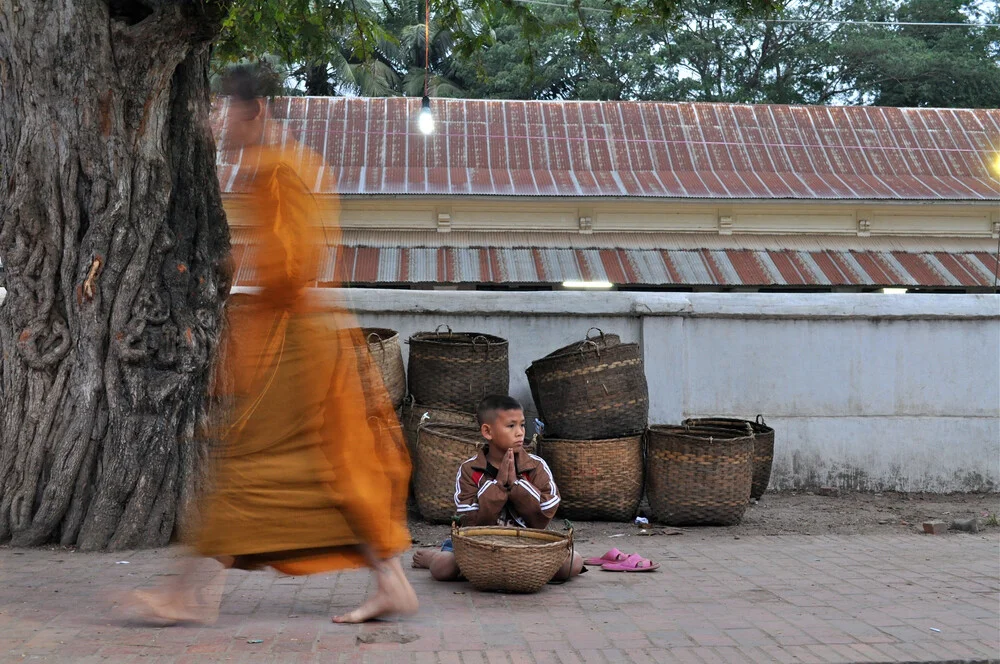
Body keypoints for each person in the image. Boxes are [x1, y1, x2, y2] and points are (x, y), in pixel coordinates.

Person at [124, 63, 416, 625]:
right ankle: (392, 579)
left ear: (253, 111)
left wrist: (245, 266)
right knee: (322, 466)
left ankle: (190, 595)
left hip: (292, 339)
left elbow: (298, 260)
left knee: (248, 463)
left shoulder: (279, 167)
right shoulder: (277, 165)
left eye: (224, 109)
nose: (218, 121)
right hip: (299, 334)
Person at [411, 395, 584, 582]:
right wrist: (497, 487)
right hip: (478, 546)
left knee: (573, 563)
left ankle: (504, 571)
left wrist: (518, 485)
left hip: (527, 545)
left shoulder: (535, 466)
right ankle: (432, 557)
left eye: (522, 425)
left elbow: (548, 507)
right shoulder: (470, 469)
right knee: (443, 568)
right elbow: (468, 518)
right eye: (511, 426)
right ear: (487, 431)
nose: (520, 432)